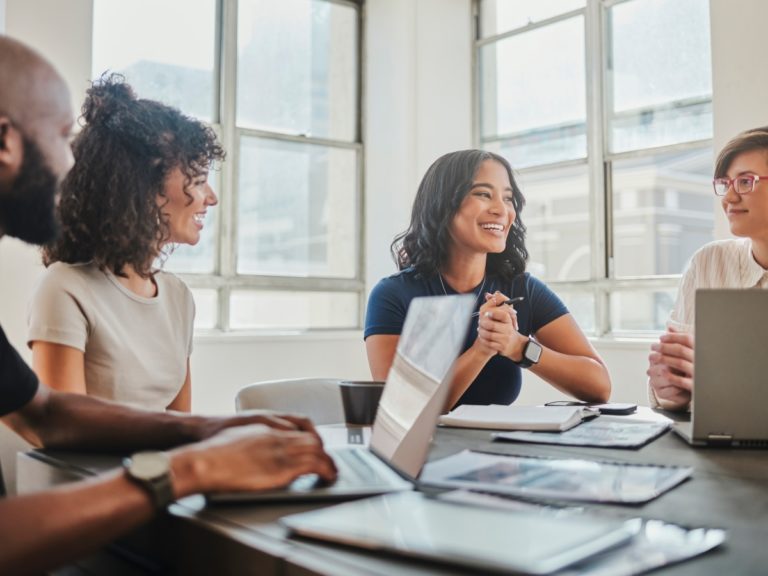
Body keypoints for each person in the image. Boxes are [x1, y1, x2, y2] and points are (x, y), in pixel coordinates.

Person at [0, 35, 335, 575]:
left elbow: (45, 412)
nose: (73, 164)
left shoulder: (175, 296)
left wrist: (207, 431)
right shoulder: (67, 286)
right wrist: (186, 469)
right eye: (62, 138)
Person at [27, 74, 221, 411]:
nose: (211, 198)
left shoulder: (178, 298)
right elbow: (66, 433)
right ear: (144, 186)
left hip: (162, 464)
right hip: (92, 466)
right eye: (200, 180)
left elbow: (180, 425)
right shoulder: (65, 288)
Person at [365, 149, 611, 409]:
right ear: (443, 205)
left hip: (501, 446)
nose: (501, 209)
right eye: (483, 194)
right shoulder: (393, 295)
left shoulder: (522, 289)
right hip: (423, 448)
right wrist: (482, 349)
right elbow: (401, 407)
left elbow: (600, 386)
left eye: (508, 198)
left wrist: (519, 347)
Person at [647, 127, 768, 411]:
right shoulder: (708, 263)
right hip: (717, 441)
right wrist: (669, 390)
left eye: (746, 182)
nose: (729, 198)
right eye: (726, 184)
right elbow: (670, 394)